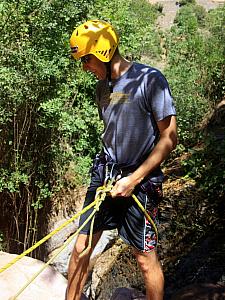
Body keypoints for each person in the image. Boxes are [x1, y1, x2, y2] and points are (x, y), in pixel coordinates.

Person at [67, 20, 177, 300]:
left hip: (140, 181)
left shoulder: (151, 80)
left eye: (87, 60)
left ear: (102, 52)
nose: (85, 67)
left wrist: (134, 178)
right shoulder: (102, 88)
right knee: (80, 249)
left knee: (144, 259)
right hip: (106, 175)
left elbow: (169, 138)